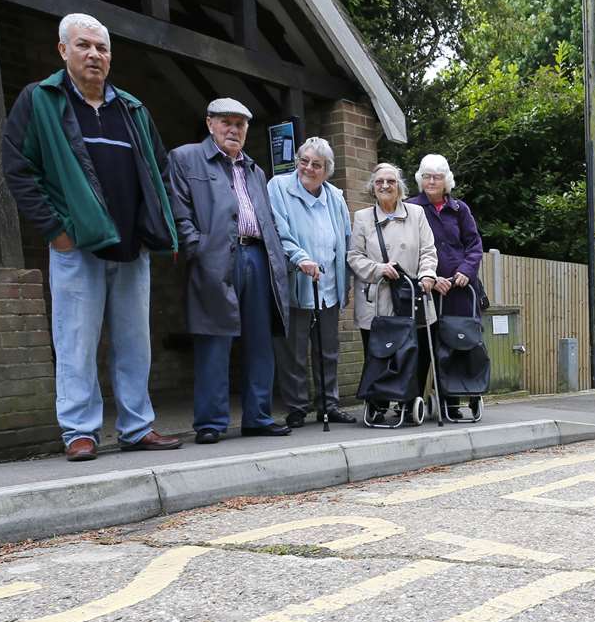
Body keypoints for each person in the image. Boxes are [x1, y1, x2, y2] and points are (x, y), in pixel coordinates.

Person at [1, 13, 182, 460]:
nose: (94, 55)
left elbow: (159, 171)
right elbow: (19, 169)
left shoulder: (132, 109)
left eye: (101, 48)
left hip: (131, 248)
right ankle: (80, 431)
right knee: (76, 341)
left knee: (135, 343)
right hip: (76, 247)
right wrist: (56, 232)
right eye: (84, 46)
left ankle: (137, 426)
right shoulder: (40, 100)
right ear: (63, 50)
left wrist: (157, 228)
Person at [166, 98, 292, 442]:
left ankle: (258, 416)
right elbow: (178, 213)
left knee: (260, 340)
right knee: (213, 338)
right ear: (210, 124)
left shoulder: (255, 170)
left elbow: (266, 218)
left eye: (241, 124)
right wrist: (199, 248)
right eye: (226, 122)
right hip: (215, 256)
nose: (234, 129)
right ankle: (210, 422)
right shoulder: (185, 158)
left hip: (256, 257)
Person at [266, 137, 355, 426]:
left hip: (328, 284)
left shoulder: (335, 197)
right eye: (304, 161)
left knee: (328, 349)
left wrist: (347, 281)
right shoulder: (278, 187)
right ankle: (296, 407)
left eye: (316, 164)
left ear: (327, 169)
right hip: (296, 280)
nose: (308, 168)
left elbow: (344, 239)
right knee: (293, 350)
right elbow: (278, 229)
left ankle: (329, 404)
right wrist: (299, 257)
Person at [348, 163, 437, 417]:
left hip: (411, 295)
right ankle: (378, 403)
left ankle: (410, 402)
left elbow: (428, 251)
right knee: (379, 352)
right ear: (372, 188)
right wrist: (378, 268)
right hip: (378, 299)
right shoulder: (363, 218)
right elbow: (354, 256)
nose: (385, 186)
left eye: (391, 181)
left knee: (414, 351)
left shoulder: (416, 213)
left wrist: (428, 275)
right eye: (379, 182)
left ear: (400, 187)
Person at [407, 153, 485, 418]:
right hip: (426, 288)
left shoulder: (460, 210)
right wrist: (429, 276)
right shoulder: (411, 208)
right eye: (427, 176)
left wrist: (465, 270)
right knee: (421, 346)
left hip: (458, 291)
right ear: (420, 178)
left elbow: (474, 245)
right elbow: (408, 248)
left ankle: (451, 402)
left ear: (446, 181)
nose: (431, 181)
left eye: (437, 177)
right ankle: (413, 402)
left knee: (454, 345)